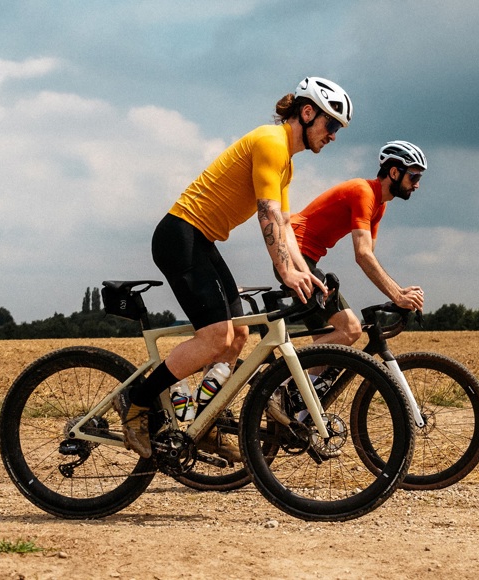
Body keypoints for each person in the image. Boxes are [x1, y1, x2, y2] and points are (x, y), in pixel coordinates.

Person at [119, 77, 350, 461]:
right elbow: (268, 213)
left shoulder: (286, 164)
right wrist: (285, 271)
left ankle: (204, 422)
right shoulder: (271, 142)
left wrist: (303, 271)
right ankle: (137, 403)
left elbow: (285, 225)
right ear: (308, 113)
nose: (334, 136)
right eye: (331, 125)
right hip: (180, 235)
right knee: (215, 338)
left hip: (200, 240)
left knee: (238, 335)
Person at [289, 140, 429, 348]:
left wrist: (398, 291)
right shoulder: (363, 192)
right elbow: (362, 255)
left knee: (325, 345)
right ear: (394, 172)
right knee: (350, 330)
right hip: (295, 256)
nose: (417, 185)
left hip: (305, 259)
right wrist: (397, 295)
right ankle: (283, 368)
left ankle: (292, 371)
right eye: (414, 177)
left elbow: (369, 256)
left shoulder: (380, 205)